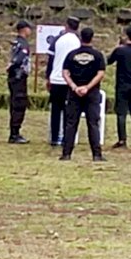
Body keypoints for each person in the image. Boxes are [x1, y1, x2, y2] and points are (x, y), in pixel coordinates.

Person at [60, 27, 106, 162]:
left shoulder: (71, 54)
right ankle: (96, 155)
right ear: (92, 38)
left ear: (80, 38)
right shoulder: (98, 55)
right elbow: (100, 73)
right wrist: (88, 87)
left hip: (74, 93)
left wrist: (74, 87)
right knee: (93, 123)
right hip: (92, 93)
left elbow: (65, 72)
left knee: (71, 123)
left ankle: (66, 153)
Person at [46, 16, 81, 146]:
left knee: (55, 110)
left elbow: (50, 60)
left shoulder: (57, 40)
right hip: (70, 81)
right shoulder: (78, 42)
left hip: (56, 79)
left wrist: (48, 77)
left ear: (66, 26)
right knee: (69, 111)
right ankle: (67, 137)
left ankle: (54, 137)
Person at [7, 20, 32, 144]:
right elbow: (19, 59)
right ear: (24, 29)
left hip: (14, 77)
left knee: (15, 103)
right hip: (19, 76)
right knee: (19, 104)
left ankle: (14, 131)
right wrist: (12, 66)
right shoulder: (23, 44)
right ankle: (15, 133)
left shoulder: (16, 42)